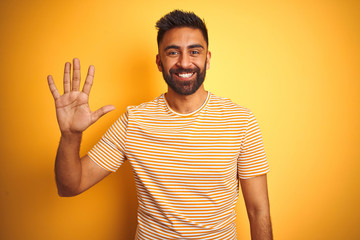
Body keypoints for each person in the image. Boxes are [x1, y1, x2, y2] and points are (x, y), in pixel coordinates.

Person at [47, 10, 273, 240]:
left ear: (208, 59)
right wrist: (70, 134)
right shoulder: (133, 121)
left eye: (194, 51)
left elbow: (258, 211)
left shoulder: (241, 121)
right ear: (159, 61)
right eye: (173, 52)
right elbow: (70, 186)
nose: (184, 62)